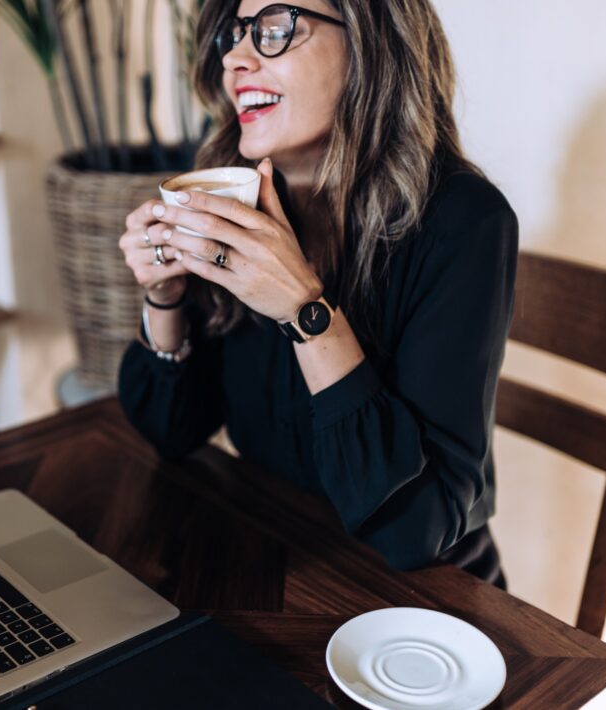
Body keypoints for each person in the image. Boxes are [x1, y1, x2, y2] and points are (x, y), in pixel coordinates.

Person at [116, 0, 517, 588]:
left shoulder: (463, 224)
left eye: (275, 30)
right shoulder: (235, 195)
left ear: (370, 43)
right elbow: (171, 432)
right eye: (236, 33)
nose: (235, 57)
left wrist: (305, 311)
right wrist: (166, 296)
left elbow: (415, 528)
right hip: (278, 558)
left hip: (428, 598)